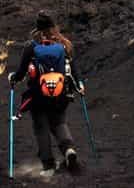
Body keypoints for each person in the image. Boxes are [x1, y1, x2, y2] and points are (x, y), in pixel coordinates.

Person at [8, 11, 85, 177]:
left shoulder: (31, 46)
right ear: (54, 26)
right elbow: (74, 69)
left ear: (38, 28)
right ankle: (69, 150)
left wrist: (12, 78)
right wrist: (80, 84)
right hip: (61, 94)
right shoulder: (65, 45)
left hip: (38, 95)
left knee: (41, 127)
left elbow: (21, 73)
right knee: (59, 123)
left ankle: (49, 166)